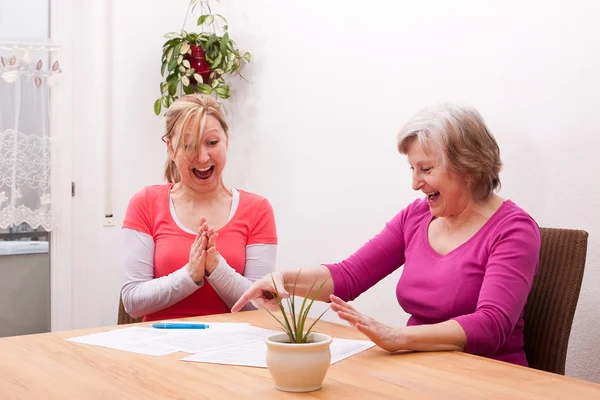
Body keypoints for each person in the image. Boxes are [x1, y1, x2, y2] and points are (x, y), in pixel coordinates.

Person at [232, 104, 540, 367]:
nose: (415, 183)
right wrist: (282, 281)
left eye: (426, 169)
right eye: (412, 169)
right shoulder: (416, 217)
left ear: (468, 168)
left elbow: (491, 325)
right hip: (421, 371)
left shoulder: (513, 230)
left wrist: (398, 337)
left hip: (490, 378)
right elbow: (349, 275)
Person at [121, 94, 277, 321]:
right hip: (159, 349)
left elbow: (262, 307)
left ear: (227, 140)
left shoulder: (258, 210)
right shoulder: (144, 203)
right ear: (171, 149)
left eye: (212, 143)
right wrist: (189, 275)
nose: (202, 157)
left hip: (232, 350)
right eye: (188, 146)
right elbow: (133, 301)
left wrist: (215, 268)